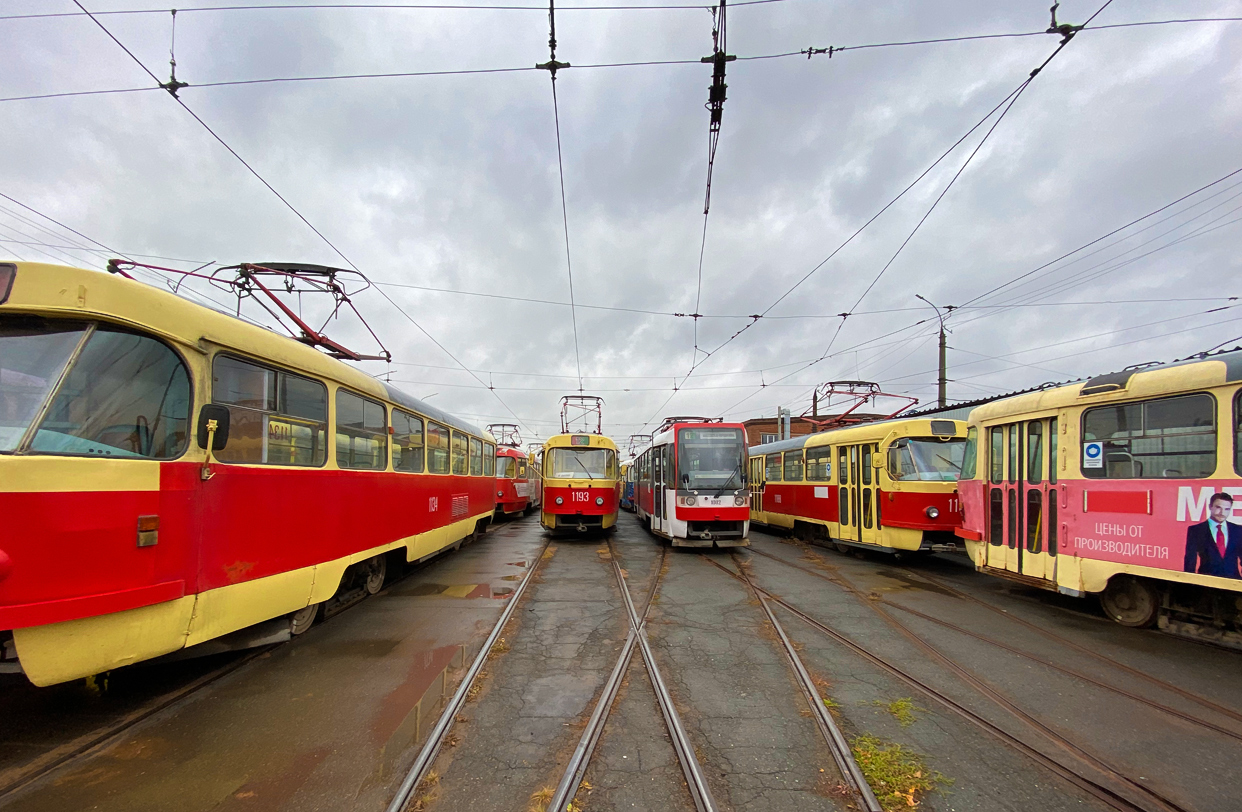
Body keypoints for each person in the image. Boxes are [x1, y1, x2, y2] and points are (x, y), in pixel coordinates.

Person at [1184, 492, 1242, 579]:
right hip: (1206, 583)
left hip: (1234, 583)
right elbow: (1190, 560)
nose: (1222, 512)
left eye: (1227, 509)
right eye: (1218, 507)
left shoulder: (1238, 530)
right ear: (1210, 507)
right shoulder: (1196, 530)